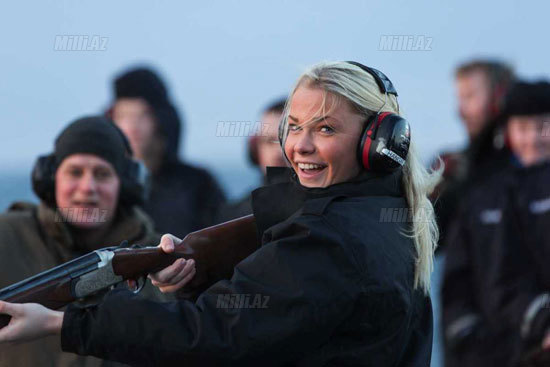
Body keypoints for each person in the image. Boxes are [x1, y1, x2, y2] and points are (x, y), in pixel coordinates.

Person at [0, 61, 441, 366]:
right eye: (295, 127)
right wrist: (201, 278)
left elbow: (214, 337)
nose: (299, 146)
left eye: (326, 128)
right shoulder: (392, 218)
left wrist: (62, 324)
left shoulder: (328, 238)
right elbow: (280, 322)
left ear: (376, 140)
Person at [0, 116, 193, 367]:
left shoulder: (158, 255)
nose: (87, 187)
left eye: (102, 174)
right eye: (75, 172)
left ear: (125, 185)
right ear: (51, 178)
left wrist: (186, 275)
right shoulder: (6, 235)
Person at [441, 81, 550, 367]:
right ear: (508, 132)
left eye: (544, 127)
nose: (534, 139)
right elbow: (458, 279)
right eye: (523, 128)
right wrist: (463, 334)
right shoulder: (484, 193)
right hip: (497, 350)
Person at [110, 67, 226, 237]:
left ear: (161, 119)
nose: (133, 126)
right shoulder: (104, 186)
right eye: (124, 115)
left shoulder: (198, 184)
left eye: (143, 115)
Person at [432, 59, 515, 249]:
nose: (460, 111)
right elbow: (428, 242)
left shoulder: (526, 165)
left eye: (469, 97)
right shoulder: (454, 166)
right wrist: (431, 195)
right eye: (459, 98)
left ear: (499, 97)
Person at [217, 97, 287, 221]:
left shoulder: (325, 209)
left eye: (286, 140)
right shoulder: (234, 215)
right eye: (269, 141)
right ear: (255, 148)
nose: (278, 152)